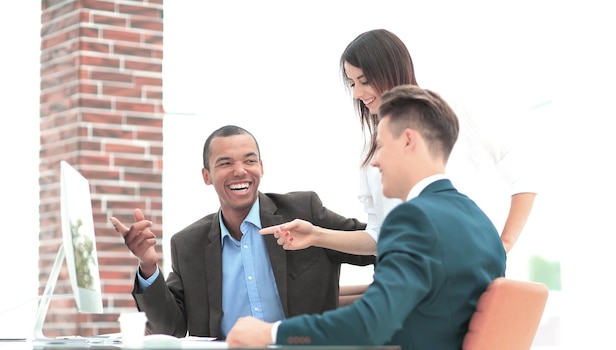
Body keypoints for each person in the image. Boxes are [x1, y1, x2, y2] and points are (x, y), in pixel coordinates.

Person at [226, 84, 507, 349]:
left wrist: (270, 332)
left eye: (381, 146)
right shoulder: (480, 222)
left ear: (408, 140)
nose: (374, 160)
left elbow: (371, 324)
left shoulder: (413, 218)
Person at [261, 29, 537, 255]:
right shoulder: (371, 150)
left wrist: (503, 246)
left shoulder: (453, 112)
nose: (357, 93)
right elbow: (381, 236)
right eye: (351, 83)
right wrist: (317, 235)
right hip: (411, 286)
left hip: (454, 280)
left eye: (364, 81)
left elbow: (525, 176)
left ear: (391, 71)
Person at [109, 125, 375, 340]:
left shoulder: (303, 213)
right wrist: (148, 266)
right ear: (206, 175)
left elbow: (380, 246)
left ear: (261, 166)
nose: (240, 171)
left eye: (249, 161)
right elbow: (170, 329)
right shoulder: (188, 244)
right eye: (225, 163)